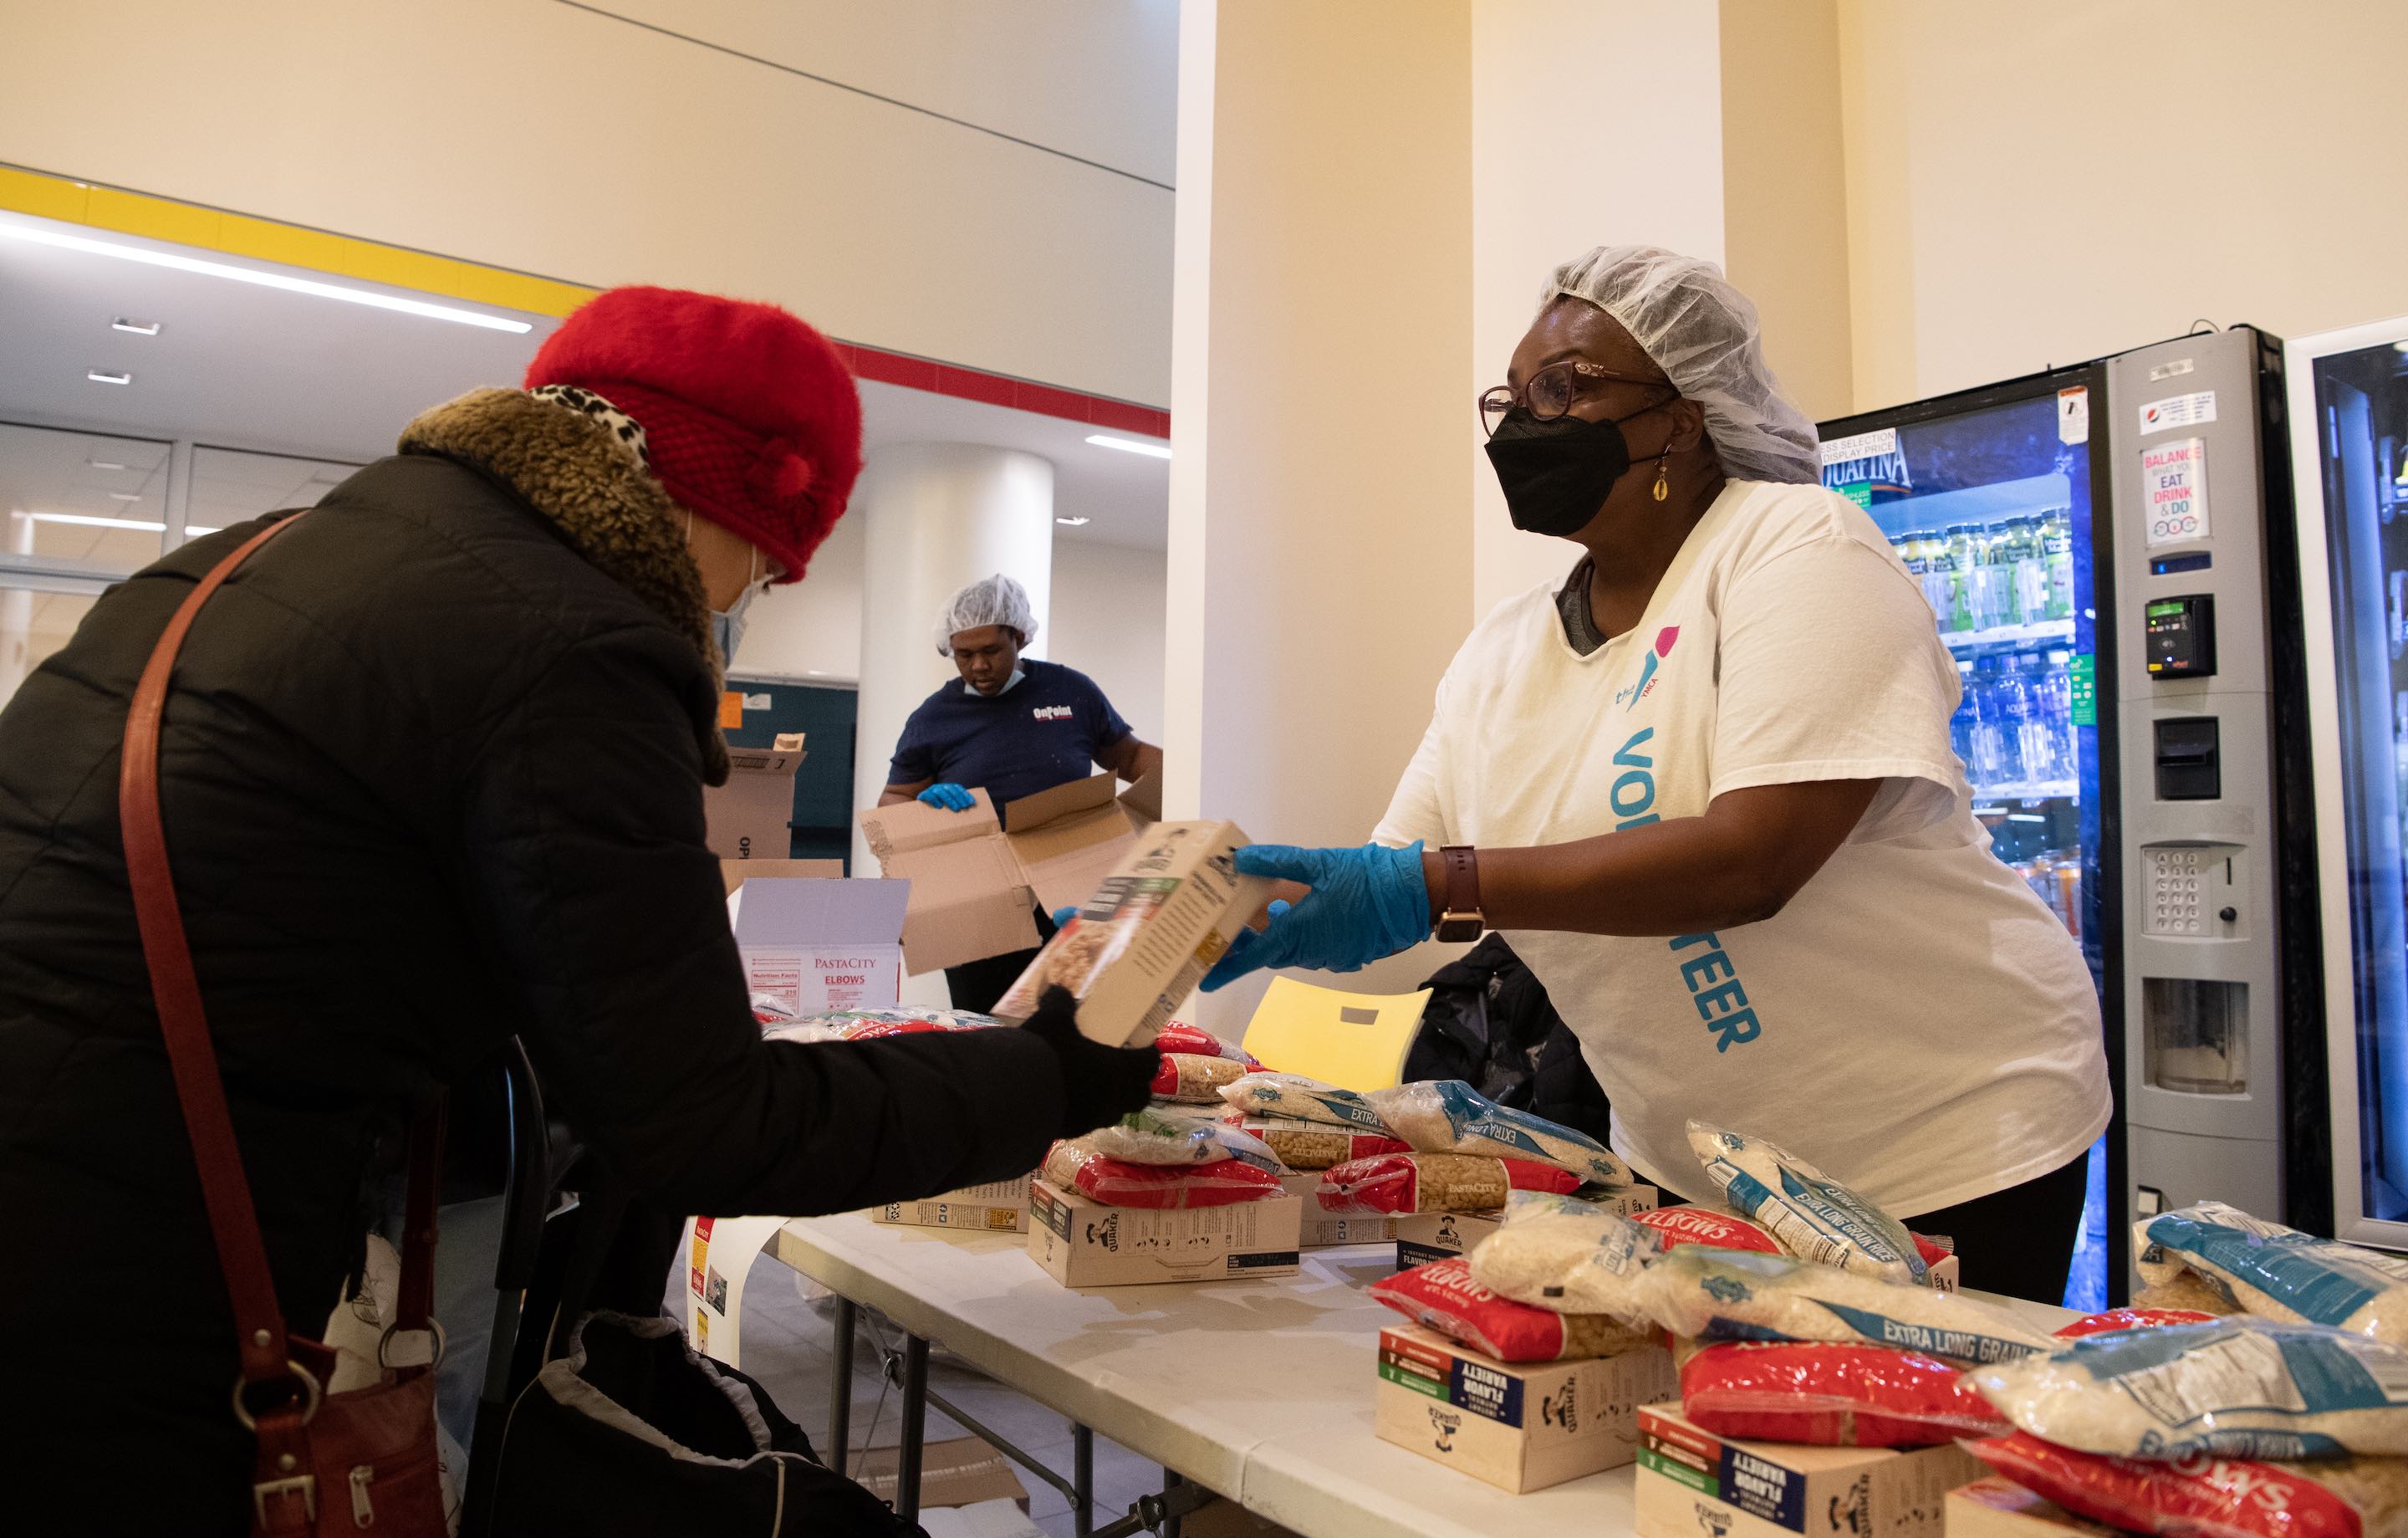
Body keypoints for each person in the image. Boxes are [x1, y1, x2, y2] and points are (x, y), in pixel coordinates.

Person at [0, 285, 1159, 1533]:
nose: (746, 600)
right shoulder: (580, 644)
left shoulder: (248, 554)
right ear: (714, 494)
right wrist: (1051, 1077)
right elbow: (711, 1124)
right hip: (130, 1289)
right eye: (769, 561)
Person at [1204, 246, 2110, 1303]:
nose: (1523, 424)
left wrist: (1441, 886)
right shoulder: (1499, 655)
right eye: (1510, 397)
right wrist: (1251, 909)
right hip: (1690, 1158)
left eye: (1565, 387)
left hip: (1932, 1135)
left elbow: (1753, 862)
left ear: (1680, 414)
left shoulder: (1797, 551)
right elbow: (1400, 875)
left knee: (1905, 1456)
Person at [880, 574, 1164, 1010]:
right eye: (963, 654)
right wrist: (924, 803)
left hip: (1074, 883)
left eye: (990, 651)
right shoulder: (935, 717)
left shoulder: (1070, 691)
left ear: (1019, 636)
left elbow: (1126, 758)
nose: (977, 666)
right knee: (986, 1025)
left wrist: (1194, 776)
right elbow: (893, 800)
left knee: (1079, 1020)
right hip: (979, 896)